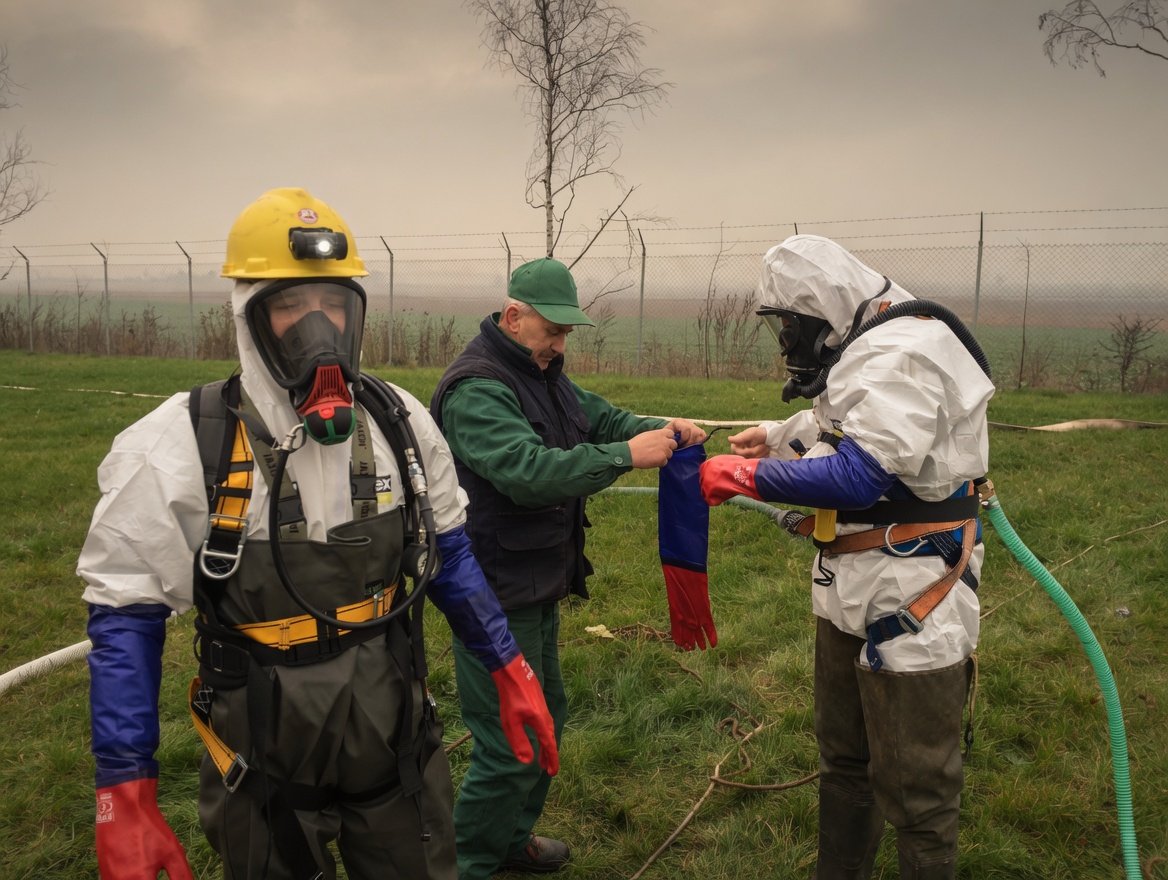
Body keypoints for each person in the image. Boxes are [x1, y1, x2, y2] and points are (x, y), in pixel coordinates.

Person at [79, 187, 558, 880]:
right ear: (248, 318)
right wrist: (125, 790)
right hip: (261, 756)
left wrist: (509, 667)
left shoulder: (401, 426)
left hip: (392, 736)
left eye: (333, 305)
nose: (318, 329)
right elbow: (125, 615)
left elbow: (450, 556)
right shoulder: (179, 448)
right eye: (290, 307)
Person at [698, 235, 994, 880]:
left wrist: (746, 476)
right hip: (853, 587)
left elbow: (861, 473)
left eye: (789, 326)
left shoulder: (904, 350)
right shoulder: (868, 342)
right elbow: (849, 425)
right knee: (844, 762)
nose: (785, 341)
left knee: (919, 793)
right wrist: (776, 439)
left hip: (913, 594)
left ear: (821, 312)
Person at [429, 257, 708, 878]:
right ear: (513, 317)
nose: (560, 344)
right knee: (508, 741)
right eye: (551, 331)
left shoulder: (540, 371)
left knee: (544, 713)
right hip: (490, 592)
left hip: (533, 584)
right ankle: (466, 863)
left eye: (566, 334)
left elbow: (599, 417)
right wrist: (624, 456)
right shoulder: (478, 389)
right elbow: (529, 473)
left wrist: (659, 428)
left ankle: (509, 840)